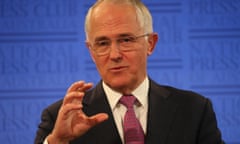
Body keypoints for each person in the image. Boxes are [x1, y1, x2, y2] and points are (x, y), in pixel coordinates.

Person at [34, 0, 225, 144]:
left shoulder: (194, 109)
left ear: (150, 43)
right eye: (102, 43)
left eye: (126, 40)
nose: (115, 54)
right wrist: (57, 142)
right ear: (91, 52)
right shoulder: (61, 118)